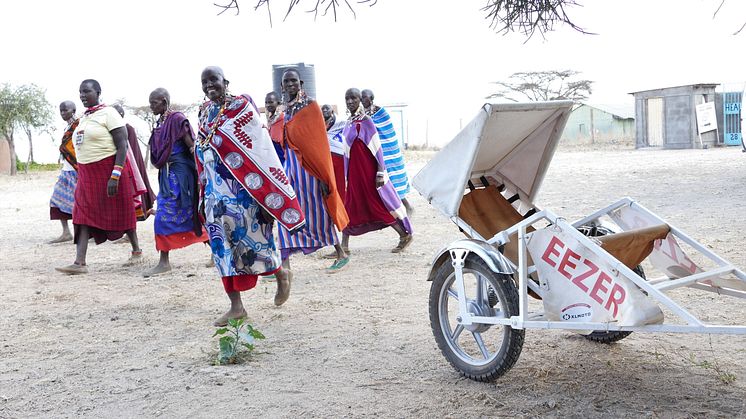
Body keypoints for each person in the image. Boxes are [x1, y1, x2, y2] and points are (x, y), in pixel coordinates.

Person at [197, 66, 304, 326]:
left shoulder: (241, 108)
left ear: (226, 82)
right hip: (214, 195)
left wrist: (266, 194)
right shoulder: (203, 113)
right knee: (222, 250)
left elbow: (261, 149)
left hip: (246, 193)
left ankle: (281, 275)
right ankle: (236, 307)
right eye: (205, 82)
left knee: (258, 244)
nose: (210, 85)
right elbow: (201, 152)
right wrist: (202, 193)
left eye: (215, 80)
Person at [55, 79, 142, 275]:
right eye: (80, 92)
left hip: (108, 170)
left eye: (87, 91)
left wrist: (116, 174)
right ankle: (80, 263)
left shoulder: (109, 113)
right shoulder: (84, 118)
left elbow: (122, 146)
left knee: (122, 210)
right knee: (81, 213)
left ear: (98, 92)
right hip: (86, 173)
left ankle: (136, 250)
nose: (83, 95)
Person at [279, 68, 349, 273]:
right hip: (291, 168)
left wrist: (322, 176)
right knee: (288, 209)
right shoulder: (287, 109)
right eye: (287, 82)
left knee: (319, 211)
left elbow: (318, 144)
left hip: (310, 170)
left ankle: (340, 251)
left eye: (294, 81)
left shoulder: (310, 107)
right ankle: (284, 262)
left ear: (301, 83)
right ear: (282, 86)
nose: (290, 84)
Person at [142, 88, 208, 278]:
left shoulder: (177, 119)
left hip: (181, 176)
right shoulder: (160, 122)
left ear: (163, 101)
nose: (151, 106)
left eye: (154, 102)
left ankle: (164, 262)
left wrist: (198, 175)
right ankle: (213, 247)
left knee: (166, 214)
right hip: (166, 175)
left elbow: (191, 147)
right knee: (183, 214)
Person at [341, 88, 413, 253]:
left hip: (367, 173)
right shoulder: (349, 122)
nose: (350, 101)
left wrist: (380, 173)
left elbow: (378, 149)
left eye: (353, 98)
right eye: (347, 98)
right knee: (350, 205)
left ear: (359, 100)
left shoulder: (366, 121)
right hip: (354, 174)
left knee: (377, 205)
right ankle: (343, 245)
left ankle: (404, 234)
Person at [361, 88, 414, 216]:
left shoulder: (381, 113)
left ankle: (407, 207)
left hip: (388, 153)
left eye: (365, 97)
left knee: (393, 182)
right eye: (361, 97)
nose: (362, 99)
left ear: (371, 99)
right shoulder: (362, 113)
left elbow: (385, 132)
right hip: (376, 154)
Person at [112, 104, 156, 221]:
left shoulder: (127, 128)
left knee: (133, 198)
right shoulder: (113, 129)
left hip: (131, 168)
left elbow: (132, 152)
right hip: (119, 167)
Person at [48, 100, 79, 244]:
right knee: (56, 200)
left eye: (65, 110)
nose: (62, 113)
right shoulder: (68, 127)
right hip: (66, 170)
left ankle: (90, 232)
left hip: (76, 170)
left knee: (80, 203)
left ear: (73, 110)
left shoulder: (78, 126)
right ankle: (66, 232)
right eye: (61, 111)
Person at [322, 104, 347, 202]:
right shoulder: (319, 124)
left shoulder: (341, 123)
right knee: (329, 187)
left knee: (341, 185)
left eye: (327, 108)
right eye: (322, 109)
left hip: (339, 157)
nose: (324, 110)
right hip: (326, 159)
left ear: (332, 111)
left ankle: (343, 208)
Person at [264, 91, 285, 164]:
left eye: (271, 102)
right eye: (266, 102)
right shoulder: (271, 120)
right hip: (274, 157)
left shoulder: (283, 119)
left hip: (283, 156)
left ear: (278, 103)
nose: (268, 105)